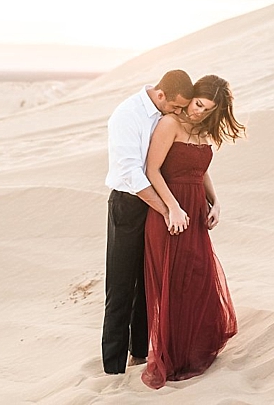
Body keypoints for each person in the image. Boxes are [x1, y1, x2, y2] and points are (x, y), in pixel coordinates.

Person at [141, 74, 246, 389]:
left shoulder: (202, 131)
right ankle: (173, 357)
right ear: (191, 97)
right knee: (173, 281)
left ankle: (194, 350)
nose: (200, 112)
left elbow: (200, 172)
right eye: (199, 104)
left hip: (195, 213)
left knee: (197, 276)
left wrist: (215, 202)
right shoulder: (169, 123)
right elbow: (151, 169)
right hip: (170, 212)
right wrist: (172, 208)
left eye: (209, 109)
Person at [102, 69, 195, 375]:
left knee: (148, 282)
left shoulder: (167, 114)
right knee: (120, 288)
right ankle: (113, 371)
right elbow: (130, 172)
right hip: (129, 204)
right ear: (160, 95)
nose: (179, 112)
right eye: (176, 106)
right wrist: (167, 209)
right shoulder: (127, 115)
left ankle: (139, 353)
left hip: (158, 204)